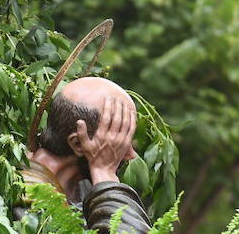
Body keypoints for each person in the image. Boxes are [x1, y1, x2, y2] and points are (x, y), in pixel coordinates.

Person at [21, 76, 153, 234]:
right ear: (77, 143)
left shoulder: (83, 188)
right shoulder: (27, 197)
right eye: (116, 141)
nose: (131, 155)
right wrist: (104, 173)